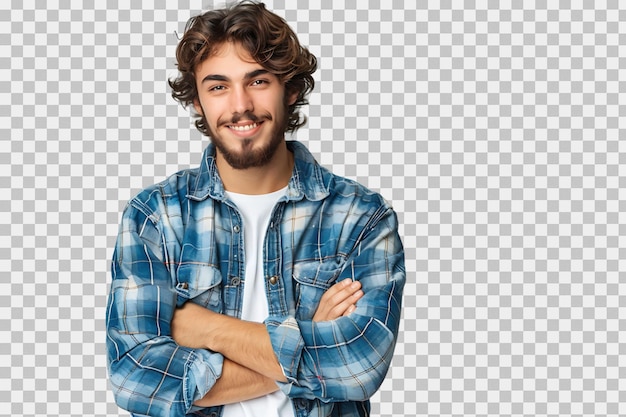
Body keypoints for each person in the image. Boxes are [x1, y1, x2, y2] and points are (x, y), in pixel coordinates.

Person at [105, 1, 405, 416]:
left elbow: (359, 366)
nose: (240, 104)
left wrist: (206, 328)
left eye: (258, 80)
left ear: (292, 89)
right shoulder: (155, 216)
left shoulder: (360, 217)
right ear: (197, 101)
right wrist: (311, 339)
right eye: (218, 86)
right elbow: (135, 378)